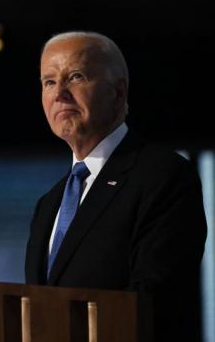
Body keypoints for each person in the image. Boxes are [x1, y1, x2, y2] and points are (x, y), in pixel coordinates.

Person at [25, 31, 206, 341]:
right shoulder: (49, 202)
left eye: (76, 77)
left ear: (118, 92)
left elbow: (156, 298)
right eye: (49, 82)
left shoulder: (163, 175)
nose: (59, 94)